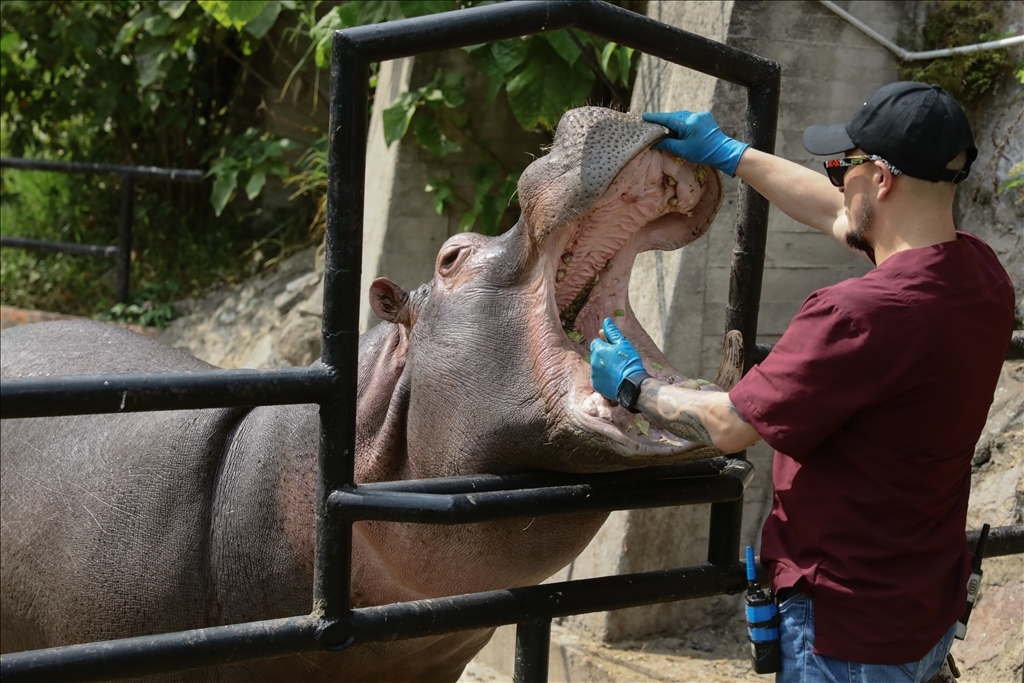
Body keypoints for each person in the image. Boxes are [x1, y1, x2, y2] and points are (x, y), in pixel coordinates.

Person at [589, 81, 1015, 683]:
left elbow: (732, 426)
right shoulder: (982, 278)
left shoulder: (857, 313)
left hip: (844, 634)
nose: (838, 180)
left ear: (883, 179)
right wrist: (729, 152)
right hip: (924, 613)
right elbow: (840, 215)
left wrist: (634, 385)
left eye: (845, 166)